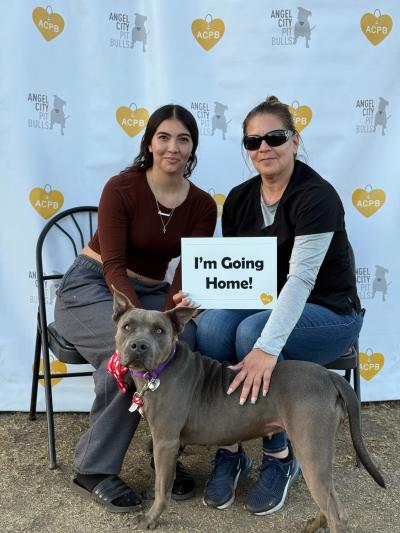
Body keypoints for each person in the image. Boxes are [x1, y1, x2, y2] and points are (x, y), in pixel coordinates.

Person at [195, 96, 363, 516]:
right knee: (213, 327)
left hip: (330, 313)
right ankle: (229, 446)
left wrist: (266, 347)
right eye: (253, 141)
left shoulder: (317, 196)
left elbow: (302, 281)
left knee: (253, 333)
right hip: (266, 305)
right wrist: (200, 295)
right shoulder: (237, 199)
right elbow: (239, 276)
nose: (263, 148)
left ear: (295, 141)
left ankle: (279, 454)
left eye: (275, 137)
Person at [54, 104, 217, 512]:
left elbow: (186, 273)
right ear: (149, 142)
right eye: (164, 137)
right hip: (92, 285)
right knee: (127, 354)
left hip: (153, 295)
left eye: (183, 139)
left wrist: (164, 321)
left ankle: (165, 444)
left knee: (185, 340)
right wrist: (140, 324)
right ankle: (93, 468)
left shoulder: (202, 205)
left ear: (193, 147)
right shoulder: (121, 187)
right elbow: (112, 265)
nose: (173, 147)